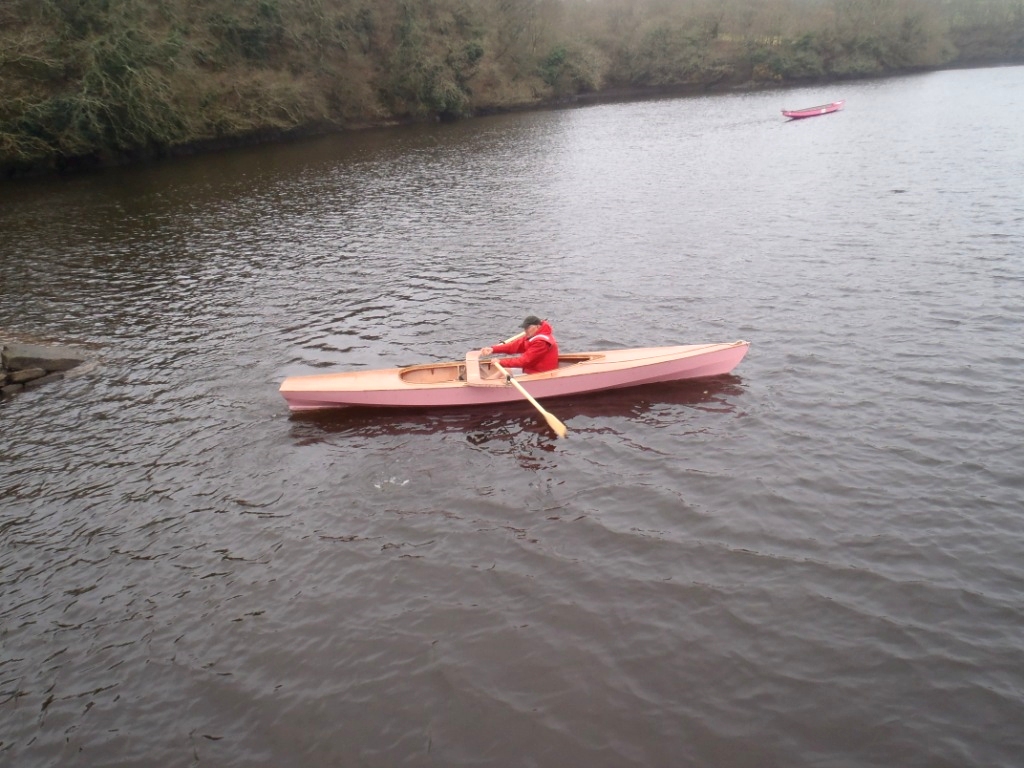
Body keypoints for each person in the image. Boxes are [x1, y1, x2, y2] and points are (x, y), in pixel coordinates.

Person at [481, 315, 559, 374]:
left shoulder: (541, 342)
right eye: (525, 328)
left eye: (528, 328)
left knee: (504, 372)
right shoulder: (532, 336)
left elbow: (524, 361)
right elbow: (513, 346)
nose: (525, 331)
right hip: (531, 368)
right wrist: (493, 349)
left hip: (541, 373)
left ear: (538, 327)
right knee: (503, 372)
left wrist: (500, 362)